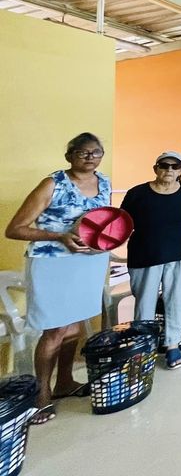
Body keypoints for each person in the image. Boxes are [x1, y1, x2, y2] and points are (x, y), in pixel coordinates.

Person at [5, 133, 111, 423]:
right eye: (82, 152)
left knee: (75, 327)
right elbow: (15, 229)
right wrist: (60, 236)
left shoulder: (104, 182)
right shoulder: (53, 183)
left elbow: (102, 222)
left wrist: (110, 240)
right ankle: (41, 395)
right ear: (69, 156)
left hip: (88, 263)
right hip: (53, 263)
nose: (90, 157)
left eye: (96, 152)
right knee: (55, 331)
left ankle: (65, 381)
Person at [120, 150, 181, 369]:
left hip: (178, 255)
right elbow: (121, 223)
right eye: (164, 165)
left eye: (175, 166)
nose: (169, 170)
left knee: (176, 300)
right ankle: (144, 347)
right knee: (145, 304)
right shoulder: (137, 194)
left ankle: (173, 345)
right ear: (155, 168)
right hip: (145, 255)